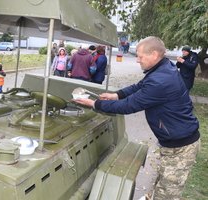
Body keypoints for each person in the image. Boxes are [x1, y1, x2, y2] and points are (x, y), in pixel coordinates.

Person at [74, 36, 200, 200]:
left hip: (181, 147)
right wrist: (116, 95)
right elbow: (138, 86)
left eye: (140, 56)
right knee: (162, 180)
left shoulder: (160, 80)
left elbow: (129, 106)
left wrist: (95, 104)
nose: (137, 61)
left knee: (168, 194)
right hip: (173, 142)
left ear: (154, 54)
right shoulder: (161, 69)